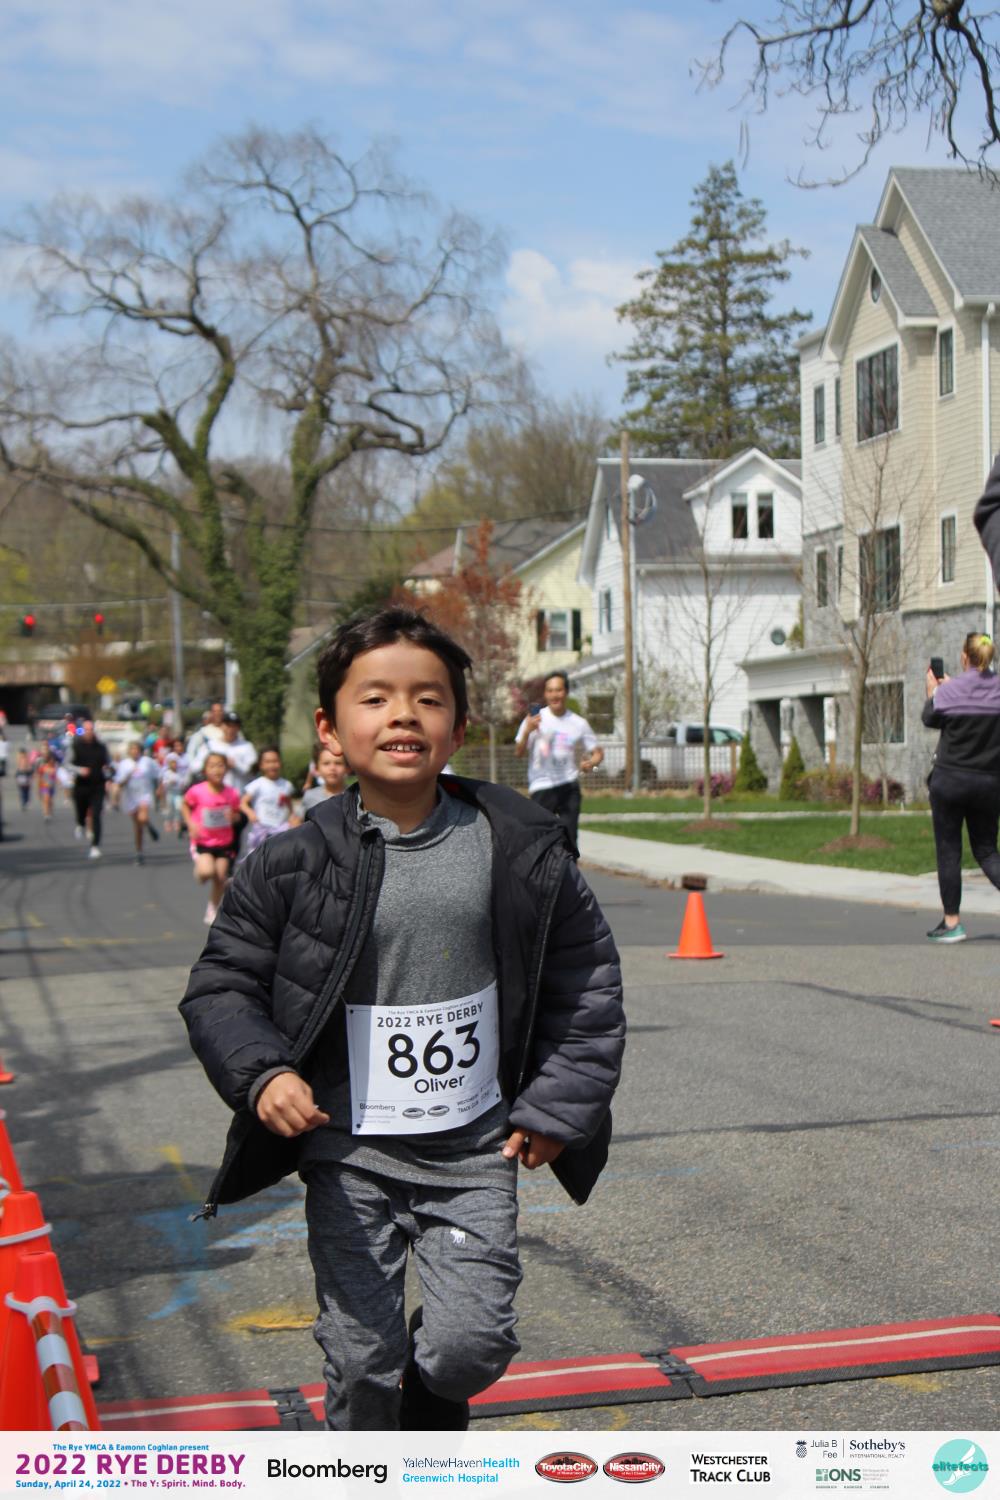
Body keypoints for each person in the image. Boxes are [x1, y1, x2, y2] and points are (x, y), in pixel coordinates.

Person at [179, 607, 625, 1432]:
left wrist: (558, 1107)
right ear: (330, 727)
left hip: (475, 1149)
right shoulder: (289, 862)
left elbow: (585, 982)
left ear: (459, 727)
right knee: (361, 1357)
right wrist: (264, 1074)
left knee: (467, 1350)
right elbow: (222, 987)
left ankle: (428, 1406)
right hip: (348, 1150)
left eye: (427, 699)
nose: (403, 717)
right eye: (376, 698)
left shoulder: (521, 849)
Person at [922, 632, 1000, 942]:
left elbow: (929, 718)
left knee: (949, 851)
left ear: (964, 657)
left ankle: (952, 923)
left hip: (950, 782)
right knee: (987, 851)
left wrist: (934, 692)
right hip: (989, 783)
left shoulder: (949, 692)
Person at [513, 670, 604, 851]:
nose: (555, 695)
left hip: (568, 785)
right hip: (541, 785)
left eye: (559, 690)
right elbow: (519, 752)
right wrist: (527, 731)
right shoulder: (535, 719)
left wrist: (591, 763)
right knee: (540, 838)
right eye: (550, 691)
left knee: (569, 838)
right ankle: (543, 869)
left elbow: (597, 752)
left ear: (566, 692)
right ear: (545, 694)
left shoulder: (578, 723)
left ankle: (570, 869)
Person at [182, 751, 242, 925]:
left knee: (220, 877)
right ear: (205, 770)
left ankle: (212, 908)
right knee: (207, 872)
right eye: (212, 766)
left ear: (226, 769)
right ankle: (200, 872)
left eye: (220, 765)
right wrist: (190, 823)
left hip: (224, 842)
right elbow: (185, 805)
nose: (217, 769)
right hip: (203, 841)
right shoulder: (197, 791)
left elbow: (237, 815)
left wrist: (234, 817)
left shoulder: (232, 793)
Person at [240, 746, 299, 855]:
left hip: (280, 828)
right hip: (261, 829)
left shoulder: (286, 785)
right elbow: (243, 803)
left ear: (280, 763)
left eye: (275, 761)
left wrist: (292, 816)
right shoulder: (257, 784)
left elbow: (289, 804)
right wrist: (250, 812)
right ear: (261, 765)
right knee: (259, 856)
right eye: (267, 762)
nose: (272, 765)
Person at [115, 741, 162, 865]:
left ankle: (148, 825)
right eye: (132, 749)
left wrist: (159, 788)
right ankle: (139, 852)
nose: (135, 751)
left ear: (140, 750)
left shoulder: (147, 761)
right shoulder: (124, 764)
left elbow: (158, 774)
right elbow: (119, 782)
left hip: (144, 793)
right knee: (138, 827)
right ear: (129, 751)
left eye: (136, 749)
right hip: (130, 796)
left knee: (143, 817)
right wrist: (127, 776)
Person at [71, 720, 111, 859]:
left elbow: (108, 763)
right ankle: (80, 823)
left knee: (96, 815)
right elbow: (66, 764)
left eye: (91, 730)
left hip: (97, 785)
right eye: (86, 730)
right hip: (81, 785)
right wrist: (79, 770)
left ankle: (95, 846)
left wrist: (108, 772)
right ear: (82, 731)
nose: (89, 732)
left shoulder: (101, 747)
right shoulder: (76, 746)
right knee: (81, 810)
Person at [300, 743, 349, 811]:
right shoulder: (310, 797)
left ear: (348, 768)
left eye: (338, 763)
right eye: (326, 763)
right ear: (316, 769)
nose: (332, 768)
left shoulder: (357, 797)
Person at [36, 750, 57, 819]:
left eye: (53, 760)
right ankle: (46, 814)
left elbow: (55, 778)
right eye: (51, 759)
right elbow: (39, 777)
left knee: (50, 800)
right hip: (44, 786)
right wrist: (38, 788)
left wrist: (56, 781)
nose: (52, 761)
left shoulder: (54, 768)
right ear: (48, 759)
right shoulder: (42, 767)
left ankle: (50, 810)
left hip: (51, 787)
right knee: (46, 799)